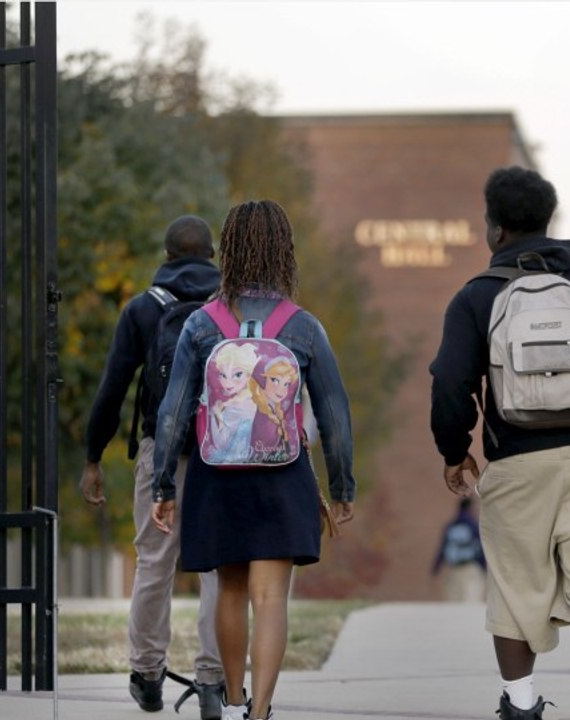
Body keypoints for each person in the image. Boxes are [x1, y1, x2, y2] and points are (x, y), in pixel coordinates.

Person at [430, 167, 570, 720]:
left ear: (495, 228)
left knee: (515, 584)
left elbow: (451, 384)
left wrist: (456, 452)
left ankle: (521, 704)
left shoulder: (476, 297)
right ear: (547, 221)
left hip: (517, 462)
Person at [150, 199, 356, 720]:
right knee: (270, 599)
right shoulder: (303, 326)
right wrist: (343, 486)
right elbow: (334, 411)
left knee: (230, 591)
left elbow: (173, 410)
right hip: (282, 475)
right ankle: (259, 712)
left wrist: (162, 484)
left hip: (216, 476)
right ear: (284, 251)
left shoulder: (202, 323)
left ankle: (234, 695)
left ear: (231, 251)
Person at [78, 216, 225, 717]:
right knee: (216, 569)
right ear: (212, 255)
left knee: (154, 564)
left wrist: (93, 456)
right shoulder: (230, 309)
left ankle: (147, 672)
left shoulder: (143, 309)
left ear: (165, 257)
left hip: (158, 452)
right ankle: (211, 678)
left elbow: (113, 389)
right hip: (220, 454)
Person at [431, 497, 487, 602]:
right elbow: (481, 548)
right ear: (470, 508)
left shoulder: (451, 526)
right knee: (471, 601)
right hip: (471, 568)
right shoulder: (474, 526)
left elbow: (442, 549)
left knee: (454, 603)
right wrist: (485, 567)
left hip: (454, 569)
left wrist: (436, 568)